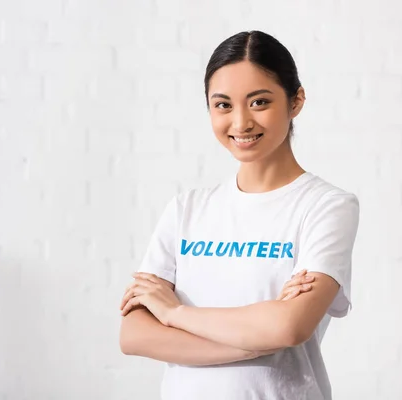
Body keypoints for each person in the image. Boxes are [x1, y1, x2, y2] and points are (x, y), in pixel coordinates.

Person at [118, 30, 360, 400]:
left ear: (296, 102)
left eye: (259, 102)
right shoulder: (187, 209)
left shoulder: (327, 206)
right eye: (223, 105)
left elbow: (290, 327)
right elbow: (134, 334)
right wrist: (252, 341)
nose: (241, 122)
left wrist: (173, 314)